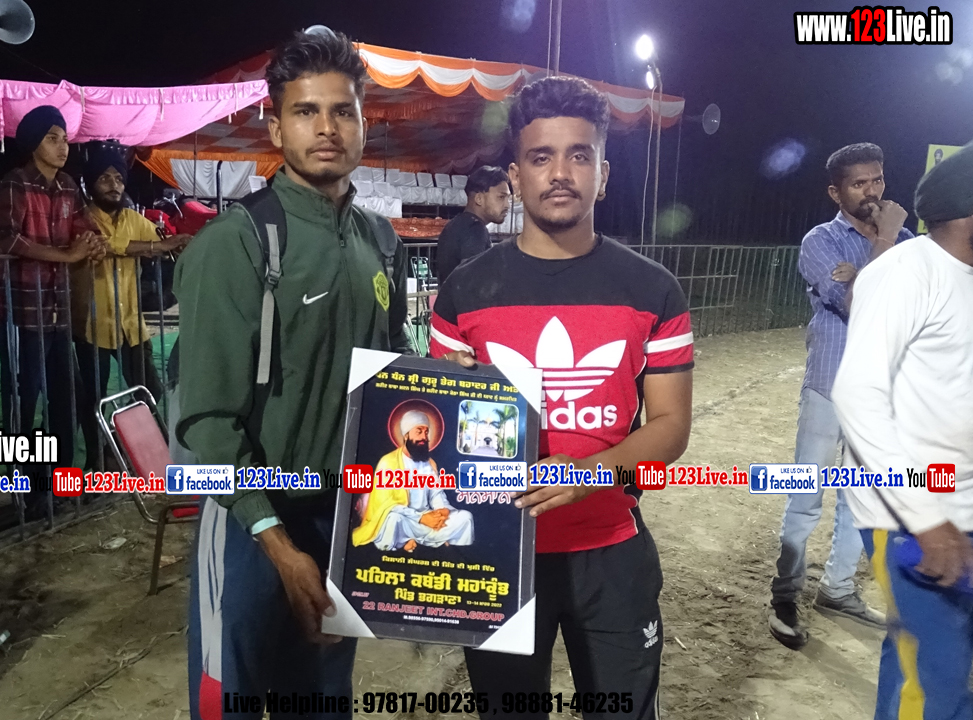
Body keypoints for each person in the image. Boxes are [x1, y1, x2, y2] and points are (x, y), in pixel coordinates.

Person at [430, 76, 694, 720]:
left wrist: (588, 474)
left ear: (602, 175)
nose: (559, 173)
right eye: (540, 157)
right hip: (496, 552)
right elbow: (439, 439)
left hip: (610, 552)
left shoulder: (653, 291)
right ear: (515, 176)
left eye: (579, 155)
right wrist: (440, 395)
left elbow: (670, 426)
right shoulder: (463, 293)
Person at [174, 27, 410, 720]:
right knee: (232, 703)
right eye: (306, 111)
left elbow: (389, 379)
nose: (327, 128)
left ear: (363, 123)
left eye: (343, 111)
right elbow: (208, 422)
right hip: (251, 523)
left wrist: (448, 382)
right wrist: (275, 542)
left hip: (343, 520)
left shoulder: (379, 242)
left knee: (323, 701)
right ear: (276, 128)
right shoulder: (236, 243)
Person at [833, 129, 973, 720]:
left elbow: (965, 410)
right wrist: (926, 521)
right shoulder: (906, 273)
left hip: (956, 517)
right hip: (908, 521)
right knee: (932, 690)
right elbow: (857, 395)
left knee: (928, 677)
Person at [768, 142, 910, 649]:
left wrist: (866, 268)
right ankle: (785, 594)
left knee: (861, 497)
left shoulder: (908, 241)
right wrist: (883, 247)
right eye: (858, 183)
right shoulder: (821, 240)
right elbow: (860, 305)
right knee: (806, 493)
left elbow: (910, 310)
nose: (871, 191)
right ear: (836, 192)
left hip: (881, 392)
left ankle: (838, 589)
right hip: (830, 385)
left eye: (877, 180)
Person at [0, 105, 102, 517]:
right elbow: (9, 240)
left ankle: (59, 484)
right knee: (23, 400)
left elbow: (84, 228)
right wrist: (67, 256)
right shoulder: (15, 183)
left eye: (65, 139)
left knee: (64, 400)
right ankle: (21, 490)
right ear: (34, 143)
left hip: (57, 310)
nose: (63, 146)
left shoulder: (69, 186)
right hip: (21, 311)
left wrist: (92, 243)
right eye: (53, 138)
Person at [72, 143, 186, 468]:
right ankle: (97, 460)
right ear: (91, 184)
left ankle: (135, 453)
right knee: (92, 398)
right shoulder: (82, 219)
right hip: (92, 325)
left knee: (150, 390)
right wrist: (155, 246)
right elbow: (105, 245)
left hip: (130, 325)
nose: (114, 185)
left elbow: (164, 242)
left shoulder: (134, 219)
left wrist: (180, 243)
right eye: (105, 178)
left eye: (119, 178)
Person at [355, 410, 474, 552]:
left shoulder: (429, 463)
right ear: (406, 435)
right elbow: (387, 505)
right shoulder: (388, 462)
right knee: (393, 519)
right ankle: (405, 542)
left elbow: (436, 494)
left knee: (465, 518)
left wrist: (442, 511)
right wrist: (421, 518)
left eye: (426, 432)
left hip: (428, 520)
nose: (424, 437)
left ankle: (443, 549)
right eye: (419, 431)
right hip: (406, 520)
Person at [435, 165, 511, 285]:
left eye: (508, 198)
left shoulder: (456, 224)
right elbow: (472, 285)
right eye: (501, 197)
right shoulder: (475, 230)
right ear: (479, 199)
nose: (507, 205)